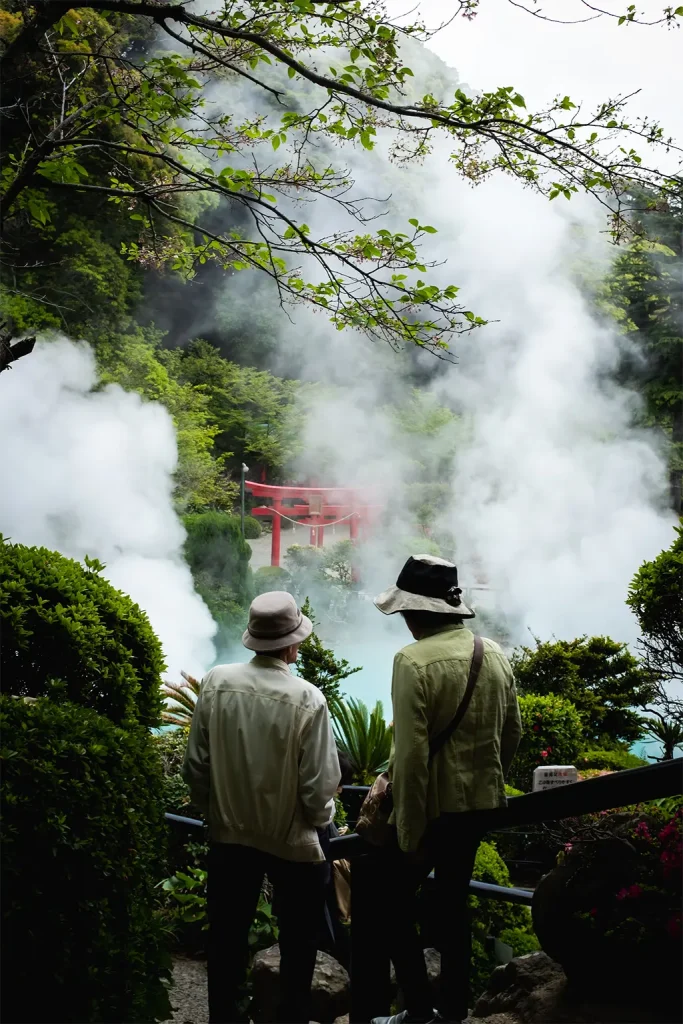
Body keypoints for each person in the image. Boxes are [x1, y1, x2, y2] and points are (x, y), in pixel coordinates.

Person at [370, 555, 522, 1024]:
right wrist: (486, 782)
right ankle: (454, 1012)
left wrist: (408, 833)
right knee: (453, 906)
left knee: (389, 905)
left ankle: (418, 1011)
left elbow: (412, 760)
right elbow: (512, 733)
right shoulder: (492, 652)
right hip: (478, 809)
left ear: (417, 612)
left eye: (404, 613)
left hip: (432, 813)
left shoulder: (411, 662)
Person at [182, 591, 341, 1024]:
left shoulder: (216, 682)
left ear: (254, 639)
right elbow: (318, 788)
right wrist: (320, 824)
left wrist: (213, 811)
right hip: (293, 845)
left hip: (229, 837)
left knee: (226, 940)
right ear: (292, 646)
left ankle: (224, 1018)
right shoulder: (308, 699)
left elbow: (195, 766)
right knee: (298, 944)